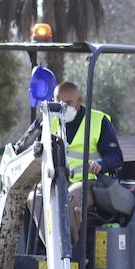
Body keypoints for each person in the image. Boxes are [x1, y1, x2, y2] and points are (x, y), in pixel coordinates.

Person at [53, 80, 123, 244]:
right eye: (58, 102)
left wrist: (100, 164)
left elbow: (116, 157)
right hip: (57, 182)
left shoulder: (98, 121)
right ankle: (50, 249)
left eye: (68, 102)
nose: (63, 106)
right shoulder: (50, 121)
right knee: (33, 198)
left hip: (89, 183)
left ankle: (70, 254)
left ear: (80, 100)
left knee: (69, 200)